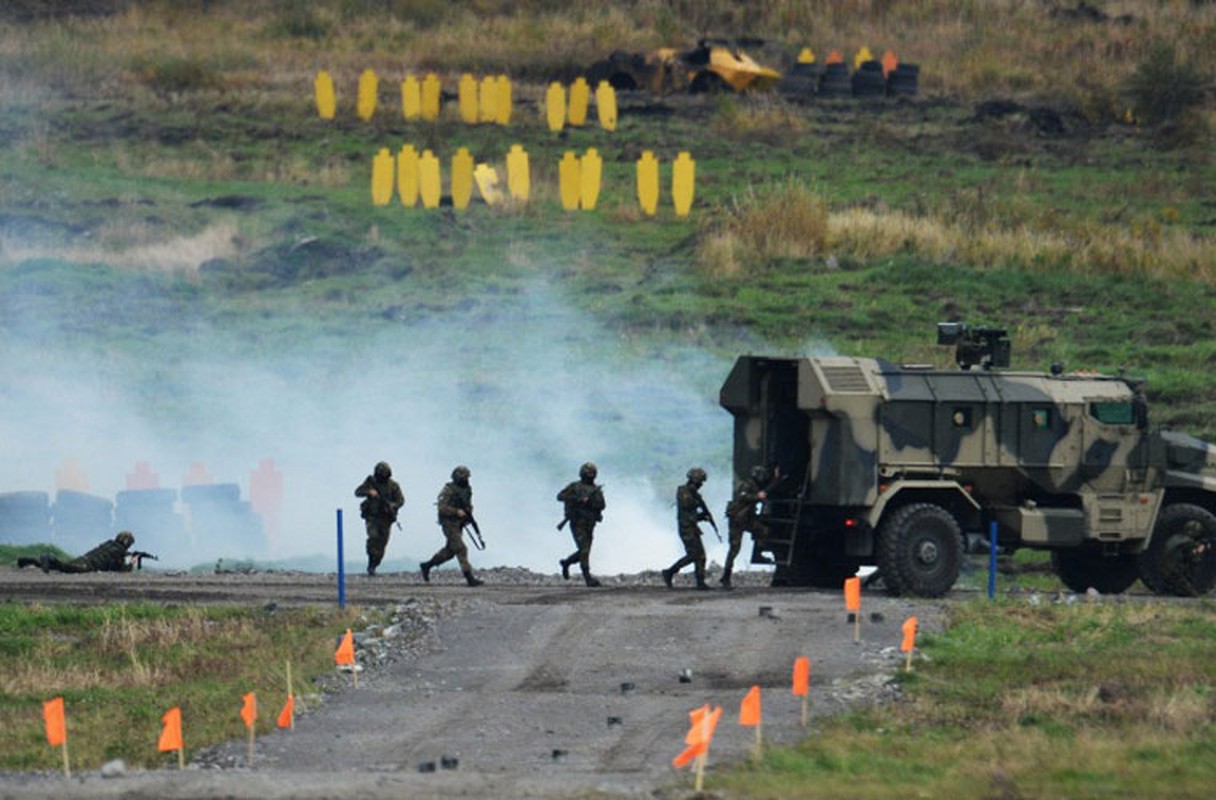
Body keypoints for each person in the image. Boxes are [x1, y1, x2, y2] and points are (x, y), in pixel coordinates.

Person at [419, 466, 483, 587]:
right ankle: (469, 578)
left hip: (459, 523)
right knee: (460, 548)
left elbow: (468, 505)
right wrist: (456, 512)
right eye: (463, 477)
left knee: (450, 551)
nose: (466, 479)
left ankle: (427, 565)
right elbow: (442, 508)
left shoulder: (467, 489)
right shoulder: (448, 490)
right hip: (448, 523)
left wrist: (467, 517)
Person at [722, 464, 779, 589]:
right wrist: (757, 497)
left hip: (747, 518)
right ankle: (726, 576)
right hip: (737, 520)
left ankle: (758, 553)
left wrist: (775, 480)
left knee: (763, 531)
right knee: (734, 549)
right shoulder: (746, 485)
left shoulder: (755, 486)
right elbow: (743, 497)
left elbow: (765, 492)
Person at [557, 462, 606, 587]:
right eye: (588, 473)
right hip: (577, 522)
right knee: (584, 551)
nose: (590, 475)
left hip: (589, 524)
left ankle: (566, 563)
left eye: (591, 473)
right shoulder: (574, 487)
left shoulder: (595, 490)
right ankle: (587, 577)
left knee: (584, 551)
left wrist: (591, 503)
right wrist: (578, 500)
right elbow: (560, 496)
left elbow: (601, 505)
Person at [662, 467, 712, 590]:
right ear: (695, 481)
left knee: (701, 556)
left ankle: (700, 583)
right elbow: (687, 507)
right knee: (693, 555)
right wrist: (699, 509)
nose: (701, 484)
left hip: (692, 527)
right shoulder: (684, 491)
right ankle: (669, 572)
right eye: (700, 482)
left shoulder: (693, 492)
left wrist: (702, 516)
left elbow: (692, 514)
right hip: (686, 528)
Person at [354, 461, 404, 576]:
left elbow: (401, 500)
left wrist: (393, 505)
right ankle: (371, 564)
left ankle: (374, 564)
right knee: (373, 537)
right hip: (372, 517)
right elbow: (357, 492)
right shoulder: (370, 482)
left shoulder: (393, 486)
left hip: (386, 518)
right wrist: (369, 492)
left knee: (381, 545)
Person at [17, 531, 136, 573]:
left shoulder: (108, 544)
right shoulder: (119, 551)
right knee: (64, 568)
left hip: (83, 559)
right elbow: (118, 569)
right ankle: (50, 558)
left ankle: (34, 562)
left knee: (59, 568)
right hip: (88, 565)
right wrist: (131, 564)